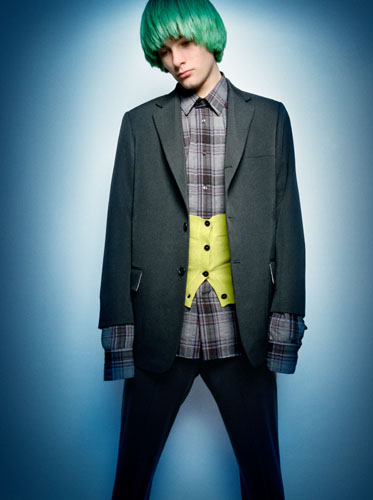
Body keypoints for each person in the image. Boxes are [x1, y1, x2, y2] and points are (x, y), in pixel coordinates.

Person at [98, 0, 307, 498]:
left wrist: (285, 323)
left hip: (243, 333)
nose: (176, 60)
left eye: (185, 43)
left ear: (210, 36)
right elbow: (118, 227)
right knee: (130, 480)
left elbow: (288, 225)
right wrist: (119, 333)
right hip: (159, 331)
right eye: (165, 51)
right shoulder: (138, 123)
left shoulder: (270, 117)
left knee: (264, 482)